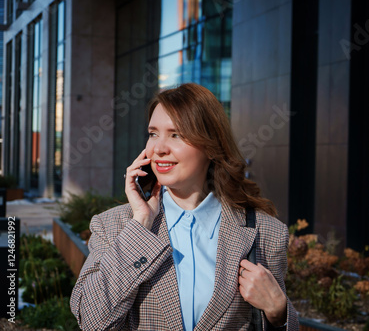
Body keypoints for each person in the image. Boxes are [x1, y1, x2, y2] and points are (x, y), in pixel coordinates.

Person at [70, 83, 299, 330]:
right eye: (153, 133)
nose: (158, 148)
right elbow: (91, 322)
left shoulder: (265, 232)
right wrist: (140, 224)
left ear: (211, 145)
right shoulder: (114, 226)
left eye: (176, 134)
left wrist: (278, 311)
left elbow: (277, 321)